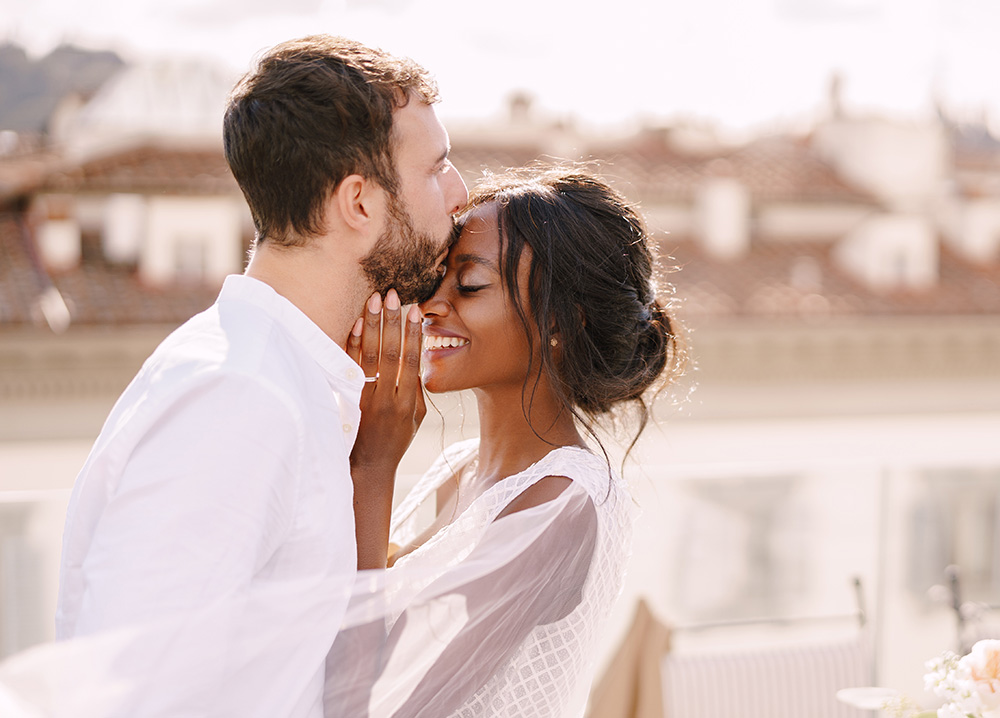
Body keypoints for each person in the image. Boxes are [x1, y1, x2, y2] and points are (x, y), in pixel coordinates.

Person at [50, 34, 467, 717]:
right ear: (358, 203)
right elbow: (127, 698)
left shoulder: (280, 382)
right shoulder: (241, 398)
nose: (459, 193)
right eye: (437, 168)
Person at [325, 166, 686, 717]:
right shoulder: (459, 470)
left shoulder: (565, 503)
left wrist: (373, 467)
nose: (432, 306)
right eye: (435, 281)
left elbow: (366, 703)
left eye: (469, 285)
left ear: (562, 320)